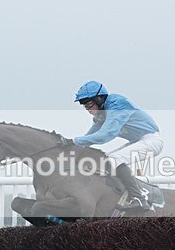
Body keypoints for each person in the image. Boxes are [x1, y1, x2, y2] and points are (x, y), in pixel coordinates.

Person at [68, 80, 164, 211]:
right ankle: (122, 195)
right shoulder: (102, 113)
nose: (88, 109)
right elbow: (88, 139)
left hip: (151, 140)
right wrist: (71, 148)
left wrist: (74, 141)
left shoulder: (116, 104)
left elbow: (105, 135)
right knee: (106, 161)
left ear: (100, 98)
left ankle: (139, 199)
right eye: (85, 106)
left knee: (114, 159)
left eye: (89, 104)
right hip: (137, 141)